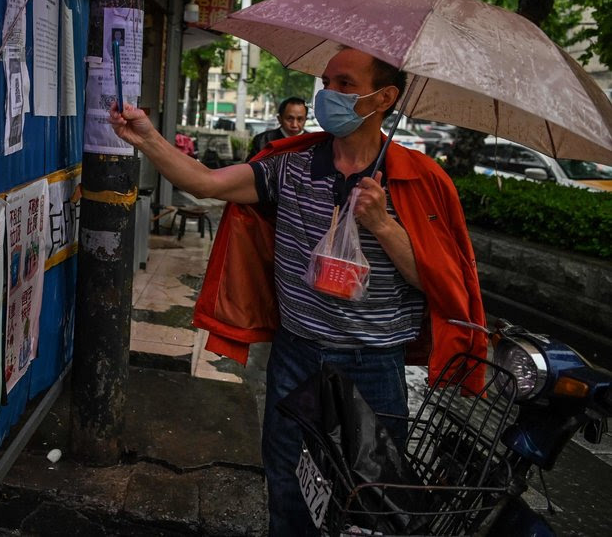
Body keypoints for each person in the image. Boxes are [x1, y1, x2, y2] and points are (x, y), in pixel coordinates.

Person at [109, 46, 485, 536]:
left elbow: (440, 281)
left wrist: (384, 226)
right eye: (326, 81)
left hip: (374, 366)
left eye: (345, 84)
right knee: (288, 488)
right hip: (298, 357)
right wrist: (147, 137)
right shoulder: (290, 167)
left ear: (384, 98)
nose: (327, 93)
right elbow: (205, 183)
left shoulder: (419, 180)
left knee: (368, 504)